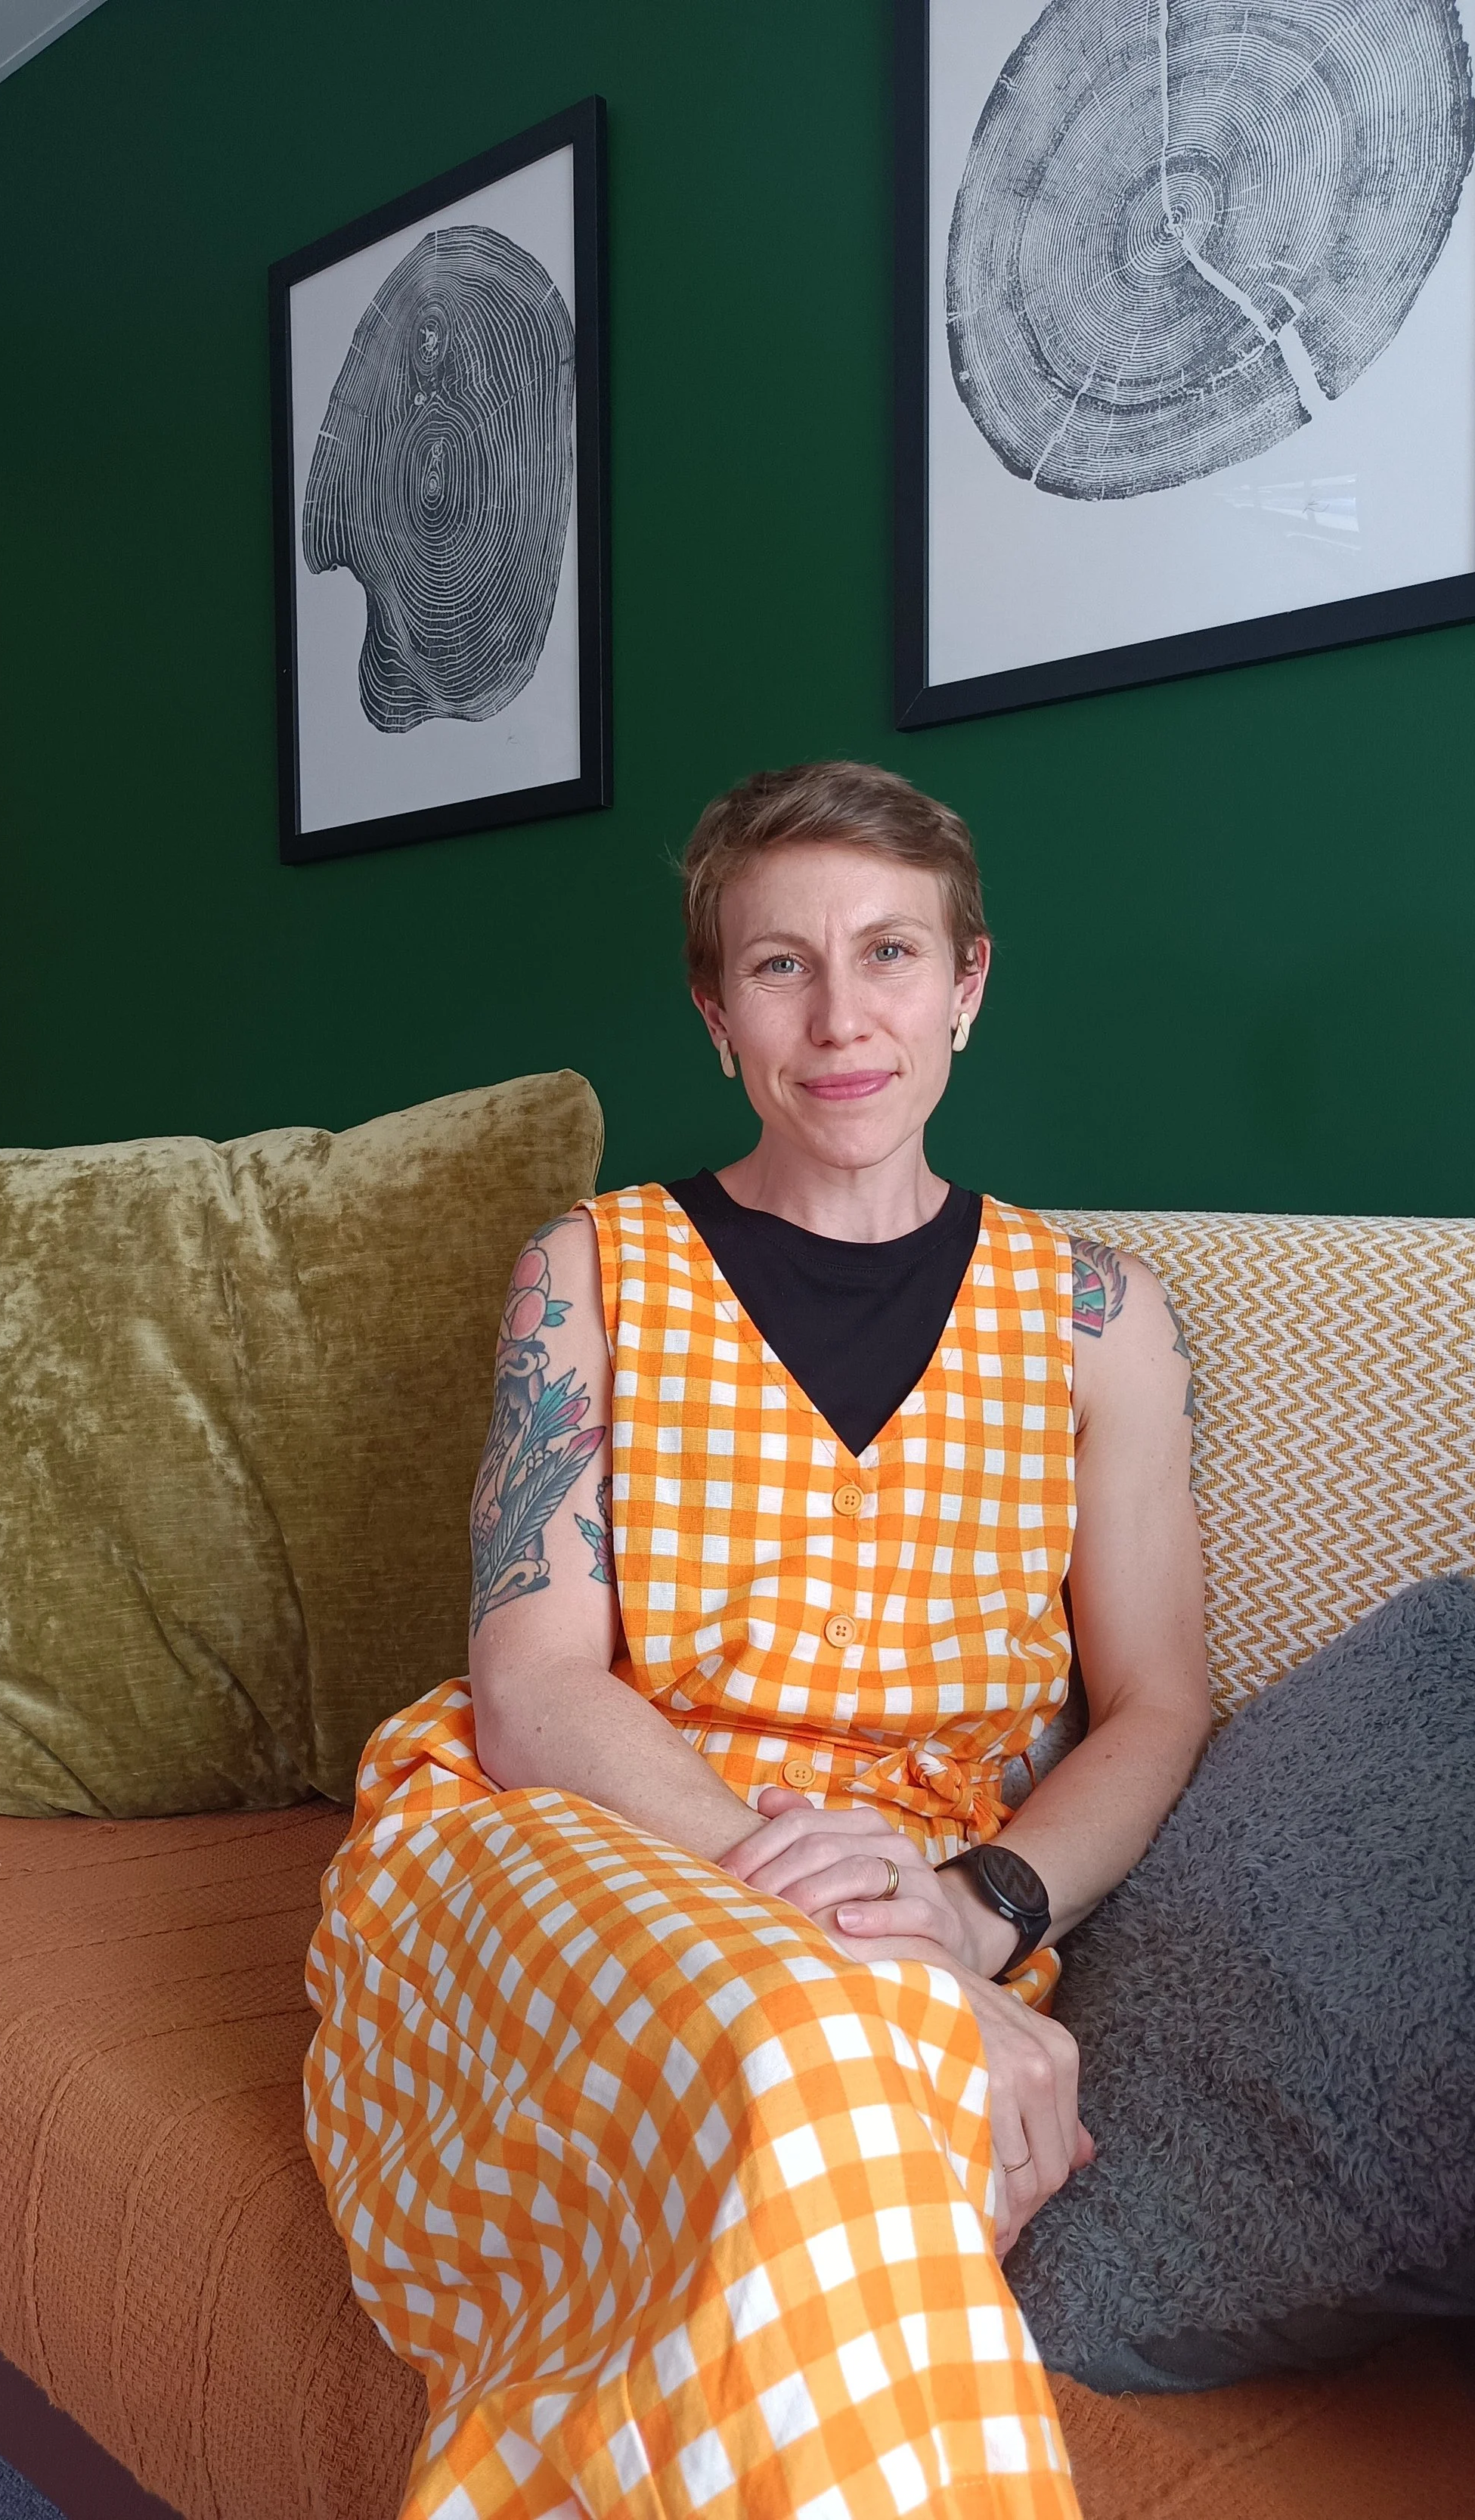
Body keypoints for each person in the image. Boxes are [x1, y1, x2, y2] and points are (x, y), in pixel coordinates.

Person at [304, 761, 1211, 2520]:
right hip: (577, 1834)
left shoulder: (1098, 1317)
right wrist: (842, 1928)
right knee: (824, 2054)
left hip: (921, 1883)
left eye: (886, 952)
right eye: (778, 965)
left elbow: (1158, 1702)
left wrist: (973, 1910)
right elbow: (535, 1682)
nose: (839, 1012)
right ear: (714, 1011)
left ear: (966, 984)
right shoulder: (591, 1270)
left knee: (819, 2104)